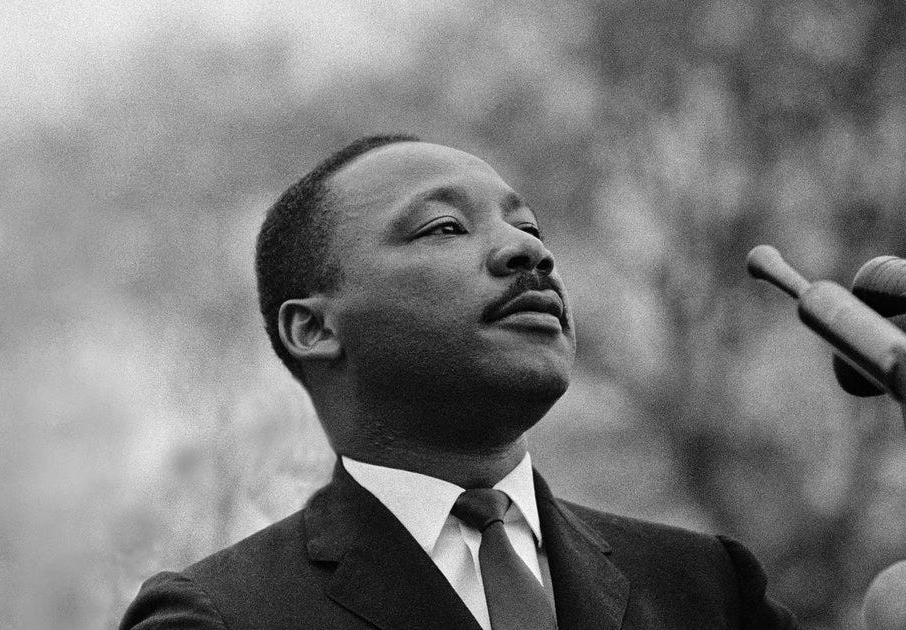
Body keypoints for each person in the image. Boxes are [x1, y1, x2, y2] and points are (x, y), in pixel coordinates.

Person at [120, 134, 798, 629]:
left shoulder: (707, 587)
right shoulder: (222, 616)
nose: (530, 250)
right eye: (445, 227)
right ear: (315, 328)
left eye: (528, 226)